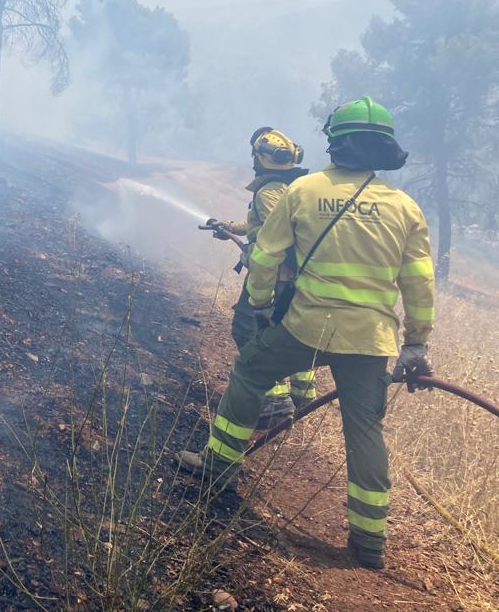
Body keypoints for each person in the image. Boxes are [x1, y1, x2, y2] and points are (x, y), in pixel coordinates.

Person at [180, 97, 435, 570]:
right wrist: (416, 342)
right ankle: (368, 543)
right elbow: (419, 282)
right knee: (364, 430)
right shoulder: (405, 208)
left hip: (306, 327)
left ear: (334, 143)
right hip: (370, 340)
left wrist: (257, 306)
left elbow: (265, 256)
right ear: (383, 148)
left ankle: (217, 471)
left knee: (251, 368)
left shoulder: (303, 191)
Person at [206, 127, 315, 427]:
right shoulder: (291, 187)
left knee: (247, 326)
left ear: (261, 158)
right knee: (287, 328)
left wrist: (255, 252)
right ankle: (302, 394)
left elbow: (274, 234)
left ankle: (274, 398)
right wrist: (229, 227)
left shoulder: (268, 191)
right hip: (293, 276)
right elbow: (266, 224)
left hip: (274, 275)